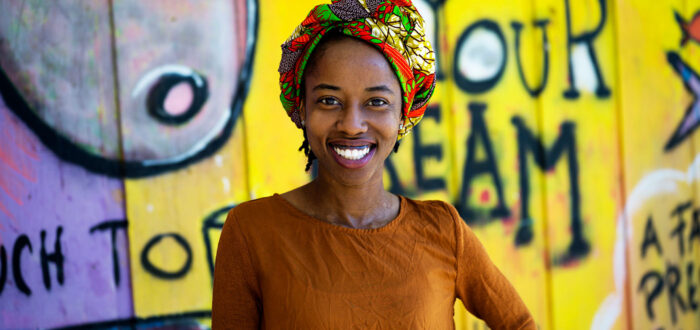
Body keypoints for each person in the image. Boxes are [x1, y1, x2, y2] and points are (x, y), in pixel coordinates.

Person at [212, 0, 536, 328]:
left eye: (377, 102)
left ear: (402, 115)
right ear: (303, 110)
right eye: (328, 101)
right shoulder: (252, 231)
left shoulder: (444, 231)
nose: (352, 124)